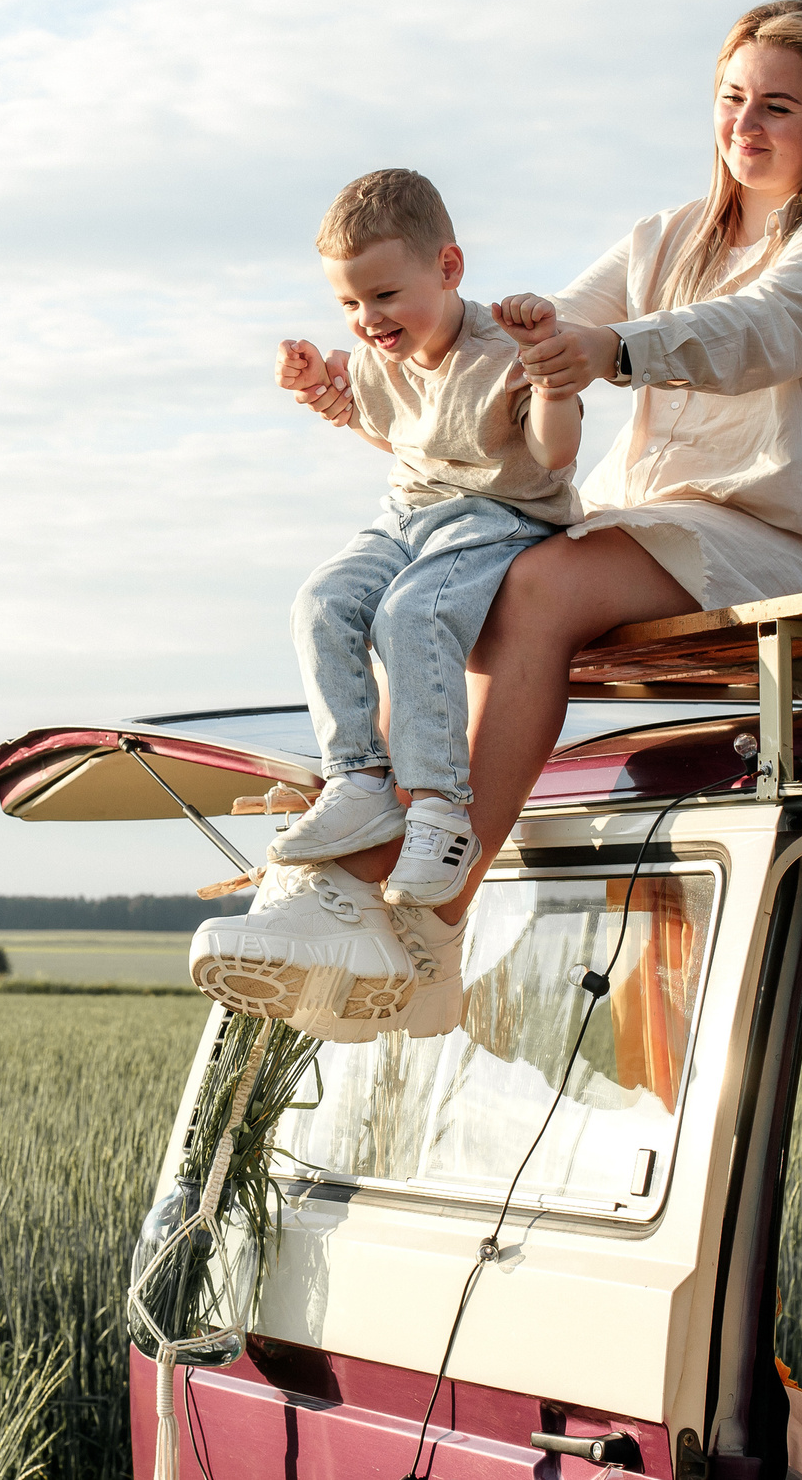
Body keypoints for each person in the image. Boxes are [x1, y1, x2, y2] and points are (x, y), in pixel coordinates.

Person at [249, 0, 802, 1039]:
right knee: (436, 580)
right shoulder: (665, 235)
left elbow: (750, 333)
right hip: (645, 519)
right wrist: (468, 344)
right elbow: (553, 328)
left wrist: (611, 352)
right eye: (731, 100)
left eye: (777, 109)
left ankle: (431, 911)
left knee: (532, 581)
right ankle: (360, 866)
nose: (745, 127)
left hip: (774, 536)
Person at [188, 170, 582, 1040]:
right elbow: (383, 427)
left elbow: (552, 459)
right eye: (348, 303)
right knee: (322, 601)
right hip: (406, 513)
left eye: (383, 294)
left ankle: (441, 813)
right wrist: (320, 391)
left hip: (500, 517)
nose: (366, 319)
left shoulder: (503, 348)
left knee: (410, 614)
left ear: (448, 266)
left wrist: (554, 378)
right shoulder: (381, 356)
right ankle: (359, 781)